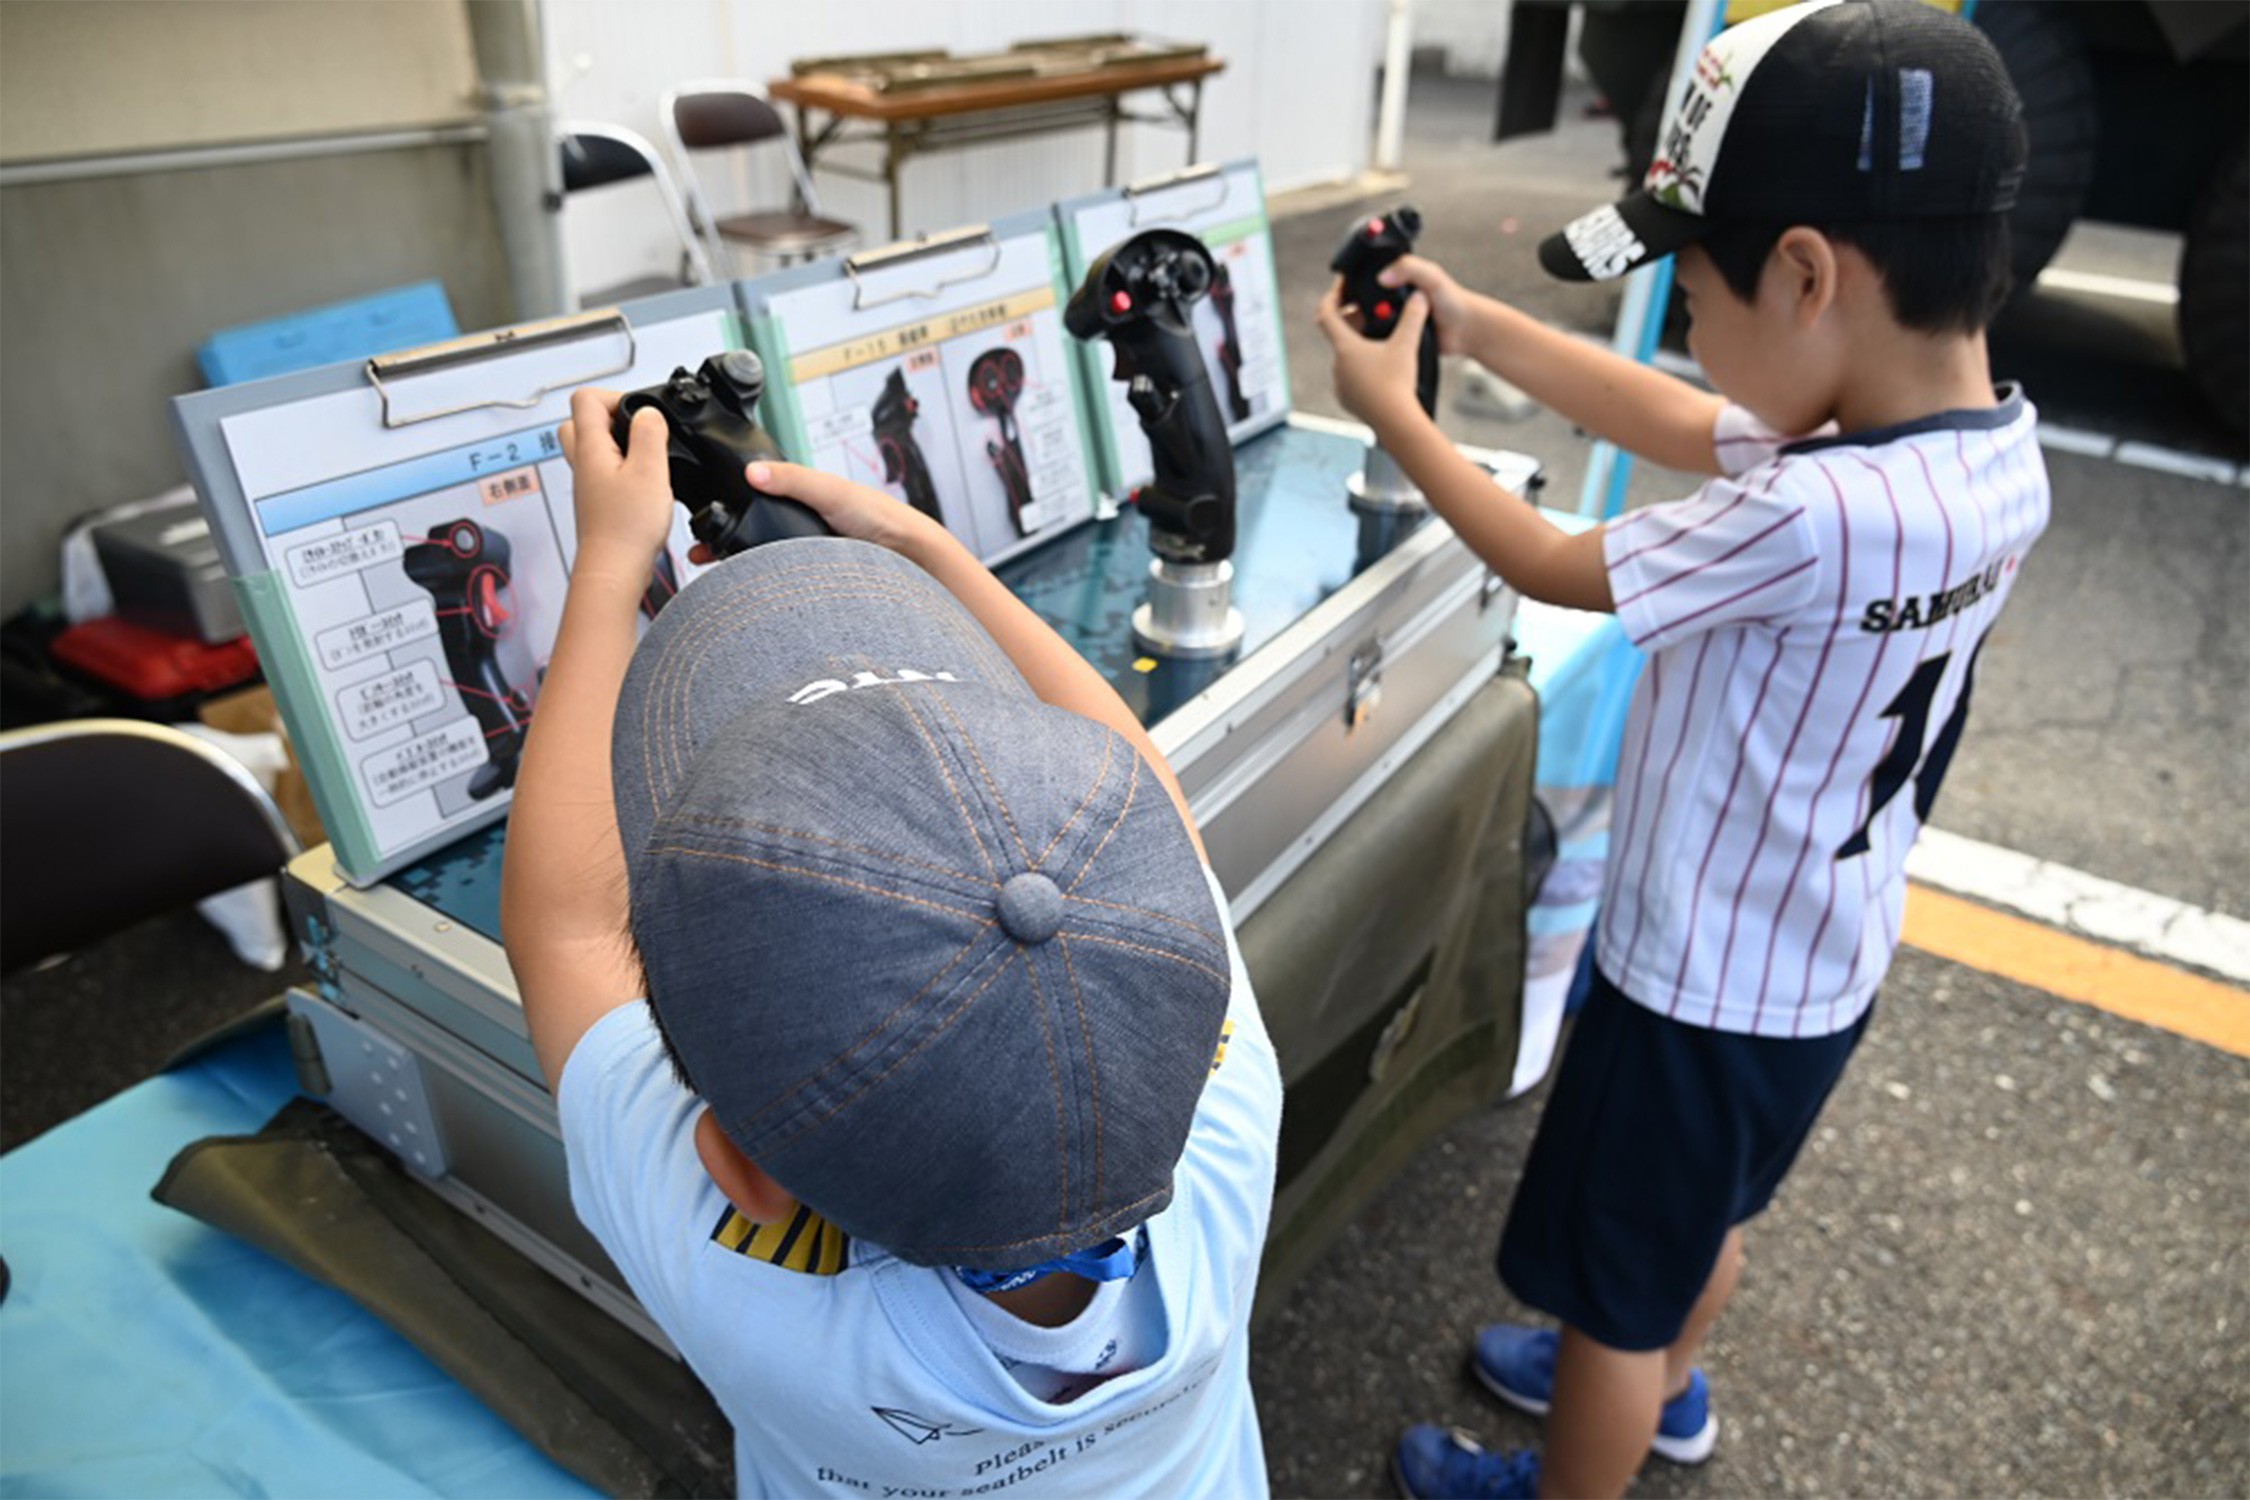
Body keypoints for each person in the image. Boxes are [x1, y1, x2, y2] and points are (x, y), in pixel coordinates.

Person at [1315, 2, 2048, 1495]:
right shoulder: (1976, 456)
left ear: (1806, 275)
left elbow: (1547, 558)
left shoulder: (1807, 515)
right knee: (1696, 1220)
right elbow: (1683, 415)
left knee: (1608, 1300)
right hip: (1820, 965)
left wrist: (1395, 416)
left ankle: (1604, 1411)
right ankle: (1662, 1381)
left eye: (1693, 296)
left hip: (1690, 990)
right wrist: (1478, 324)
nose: (1688, 336)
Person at [500, 389, 1282, 1498]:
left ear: (742, 1176)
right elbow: (1141, 803)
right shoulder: (1226, 1137)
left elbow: (572, 928)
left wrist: (608, 567)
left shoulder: (744, 1289)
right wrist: (924, 548)